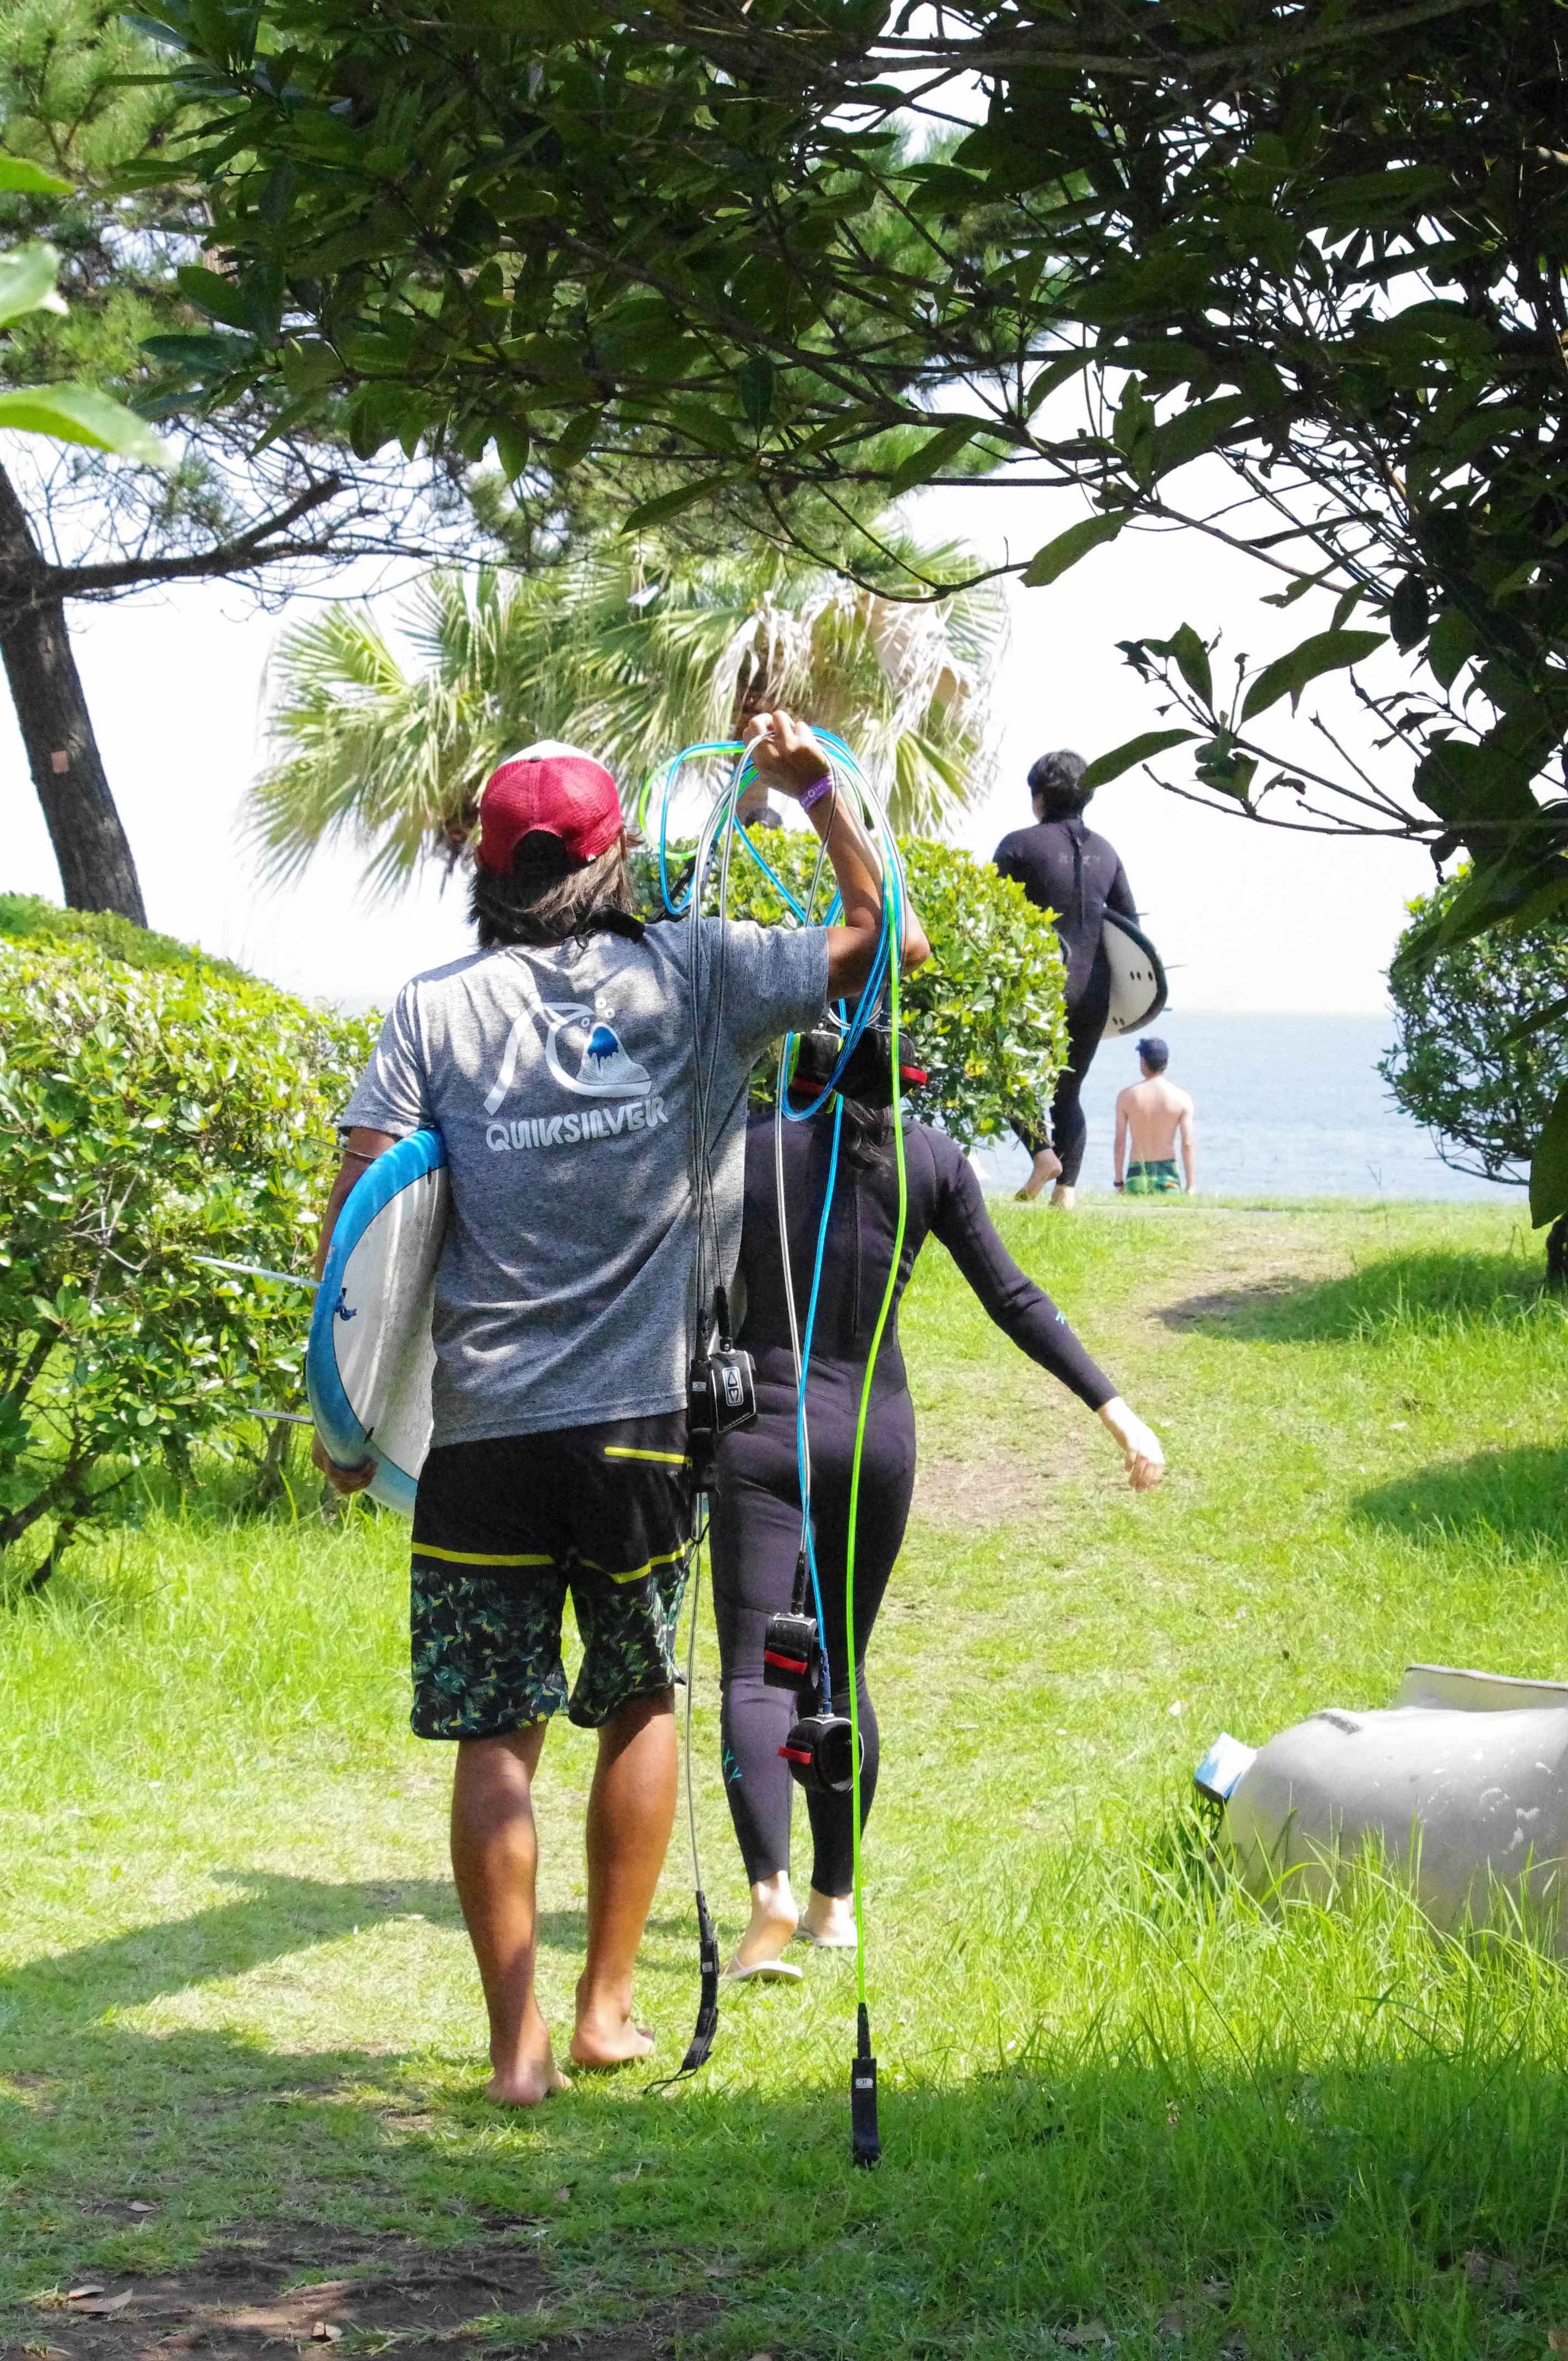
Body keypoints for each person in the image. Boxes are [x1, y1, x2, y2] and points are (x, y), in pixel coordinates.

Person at [311, 717, 930, 2104]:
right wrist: (815, 792)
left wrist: (346, 1423)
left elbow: (364, 1223)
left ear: (487, 866)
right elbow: (873, 938)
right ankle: (604, 2012)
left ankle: (513, 2046)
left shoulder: (430, 1008)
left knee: (496, 1730)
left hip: (477, 1430)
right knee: (636, 1692)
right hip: (641, 1423)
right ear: (612, 857)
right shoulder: (699, 969)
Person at [710, 1086, 1164, 1978]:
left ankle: (769, 1890)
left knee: (761, 1669)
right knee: (837, 1659)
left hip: (765, 1429)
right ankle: (833, 1905)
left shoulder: (751, 1148)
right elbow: (1013, 1295)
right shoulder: (930, 1160)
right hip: (876, 1437)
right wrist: (1117, 1411)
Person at [993, 750, 1139, 1210]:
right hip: (1094, 990)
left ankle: (1042, 1155)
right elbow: (1130, 928)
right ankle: (1066, 1193)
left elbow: (991, 918)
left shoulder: (1017, 846)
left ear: (1039, 797)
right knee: (1069, 1092)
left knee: (1008, 1076)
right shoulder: (1108, 852)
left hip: (1037, 986)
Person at [1114, 1035, 1196, 1196]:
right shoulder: (1182, 1098)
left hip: (1137, 1172)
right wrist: (1191, 1185)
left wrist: (1119, 1183)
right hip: (1168, 1174)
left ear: (1143, 1061)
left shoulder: (1126, 1096)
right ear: (1165, 1062)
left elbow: (1120, 1143)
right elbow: (1187, 1145)